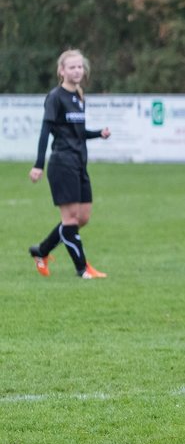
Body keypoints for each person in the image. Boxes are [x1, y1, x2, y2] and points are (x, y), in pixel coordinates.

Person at [27, 49, 110, 279]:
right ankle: (83, 269)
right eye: (71, 67)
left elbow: (79, 133)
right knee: (70, 218)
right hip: (62, 163)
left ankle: (41, 251)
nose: (77, 70)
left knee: (82, 218)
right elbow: (45, 131)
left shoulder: (79, 97)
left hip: (79, 163)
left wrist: (98, 134)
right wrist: (38, 164)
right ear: (62, 71)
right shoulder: (55, 97)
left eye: (80, 67)